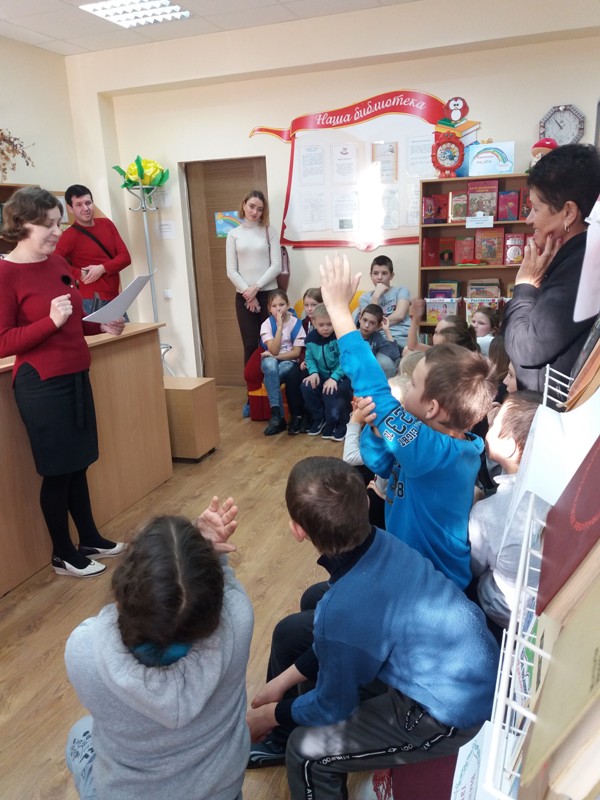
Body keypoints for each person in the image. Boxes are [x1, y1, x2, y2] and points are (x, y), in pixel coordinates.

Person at [247, 457, 500, 799]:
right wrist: (283, 681)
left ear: (297, 530)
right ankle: (289, 728)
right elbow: (345, 633)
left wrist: (270, 716)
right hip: (464, 665)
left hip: (450, 715)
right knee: (301, 619)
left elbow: (333, 705)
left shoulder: (343, 610)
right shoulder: (380, 541)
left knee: (305, 752)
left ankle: (292, 740)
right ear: (366, 504)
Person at [320, 254, 496, 589]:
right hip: (407, 565)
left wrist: (340, 312)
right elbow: (382, 465)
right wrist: (377, 428)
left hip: (431, 585)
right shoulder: (434, 437)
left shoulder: (438, 451)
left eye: (413, 384)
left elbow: (375, 387)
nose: (406, 388)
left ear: (432, 408)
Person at [65, 497, 254, 800]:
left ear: (122, 592)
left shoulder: (84, 651)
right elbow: (223, 595)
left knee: (80, 733)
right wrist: (207, 554)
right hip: (223, 791)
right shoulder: (239, 619)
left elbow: (109, 627)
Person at [0, 187, 126, 578]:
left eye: (59, 223)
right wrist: (49, 322)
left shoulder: (57, 262)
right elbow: (3, 340)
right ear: (22, 224)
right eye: (50, 225)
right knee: (57, 471)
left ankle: (88, 538)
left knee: (79, 464)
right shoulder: (5, 273)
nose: (58, 232)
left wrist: (101, 325)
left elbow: (73, 321)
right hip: (41, 384)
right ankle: (62, 554)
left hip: (75, 375)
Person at [503, 144, 600, 394]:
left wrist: (525, 286)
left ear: (569, 212)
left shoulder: (582, 265)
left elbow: (526, 349)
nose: (529, 220)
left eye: (536, 209)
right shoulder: (578, 257)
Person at [469, 391, 547, 635]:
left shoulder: (485, 514)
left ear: (510, 447)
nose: (489, 425)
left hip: (507, 613)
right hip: (545, 601)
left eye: (495, 424)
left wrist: (477, 503)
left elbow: (474, 567)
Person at [55, 184, 131, 315]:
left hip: (115, 296)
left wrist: (102, 268)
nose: (85, 208)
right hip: (92, 300)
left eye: (88, 203)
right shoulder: (69, 236)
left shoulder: (107, 224)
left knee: (125, 328)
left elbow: (125, 258)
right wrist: (80, 274)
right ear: (70, 208)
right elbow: (54, 264)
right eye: (79, 205)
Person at [226, 189, 282, 367]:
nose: (254, 212)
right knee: (250, 345)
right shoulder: (233, 234)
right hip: (244, 298)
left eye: (259, 209)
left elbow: (276, 266)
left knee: (271, 343)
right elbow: (231, 270)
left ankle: (271, 383)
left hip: (268, 296)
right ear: (244, 205)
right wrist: (248, 294)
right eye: (251, 206)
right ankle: (252, 385)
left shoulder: (269, 231)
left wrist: (255, 288)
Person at [301, 303, 352, 441]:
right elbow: (309, 358)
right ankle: (319, 419)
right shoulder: (310, 339)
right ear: (314, 322)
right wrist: (313, 373)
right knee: (306, 386)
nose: (326, 328)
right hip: (321, 375)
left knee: (332, 390)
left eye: (329, 324)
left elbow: (346, 360)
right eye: (321, 325)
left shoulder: (339, 337)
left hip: (340, 376)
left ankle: (339, 423)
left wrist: (334, 378)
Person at [260, 289, 305, 436]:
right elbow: (273, 349)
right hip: (270, 363)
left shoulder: (296, 323)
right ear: (269, 308)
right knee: (270, 364)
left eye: (281, 304)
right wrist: (279, 327)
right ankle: (276, 414)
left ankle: (277, 419)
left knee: (271, 375)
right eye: (274, 306)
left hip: (288, 362)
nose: (278, 309)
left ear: (288, 305)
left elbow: (296, 353)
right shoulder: (266, 324)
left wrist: (276, 357)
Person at [356, 255, 411, 348]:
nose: (379, 277)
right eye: (375, 273)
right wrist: (376, 296)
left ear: (391, 275)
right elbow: (369, 320)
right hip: (375, 340)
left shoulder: (401, 291)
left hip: (400, 337)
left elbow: (399, 315)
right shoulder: (364, 298)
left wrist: (376, 325)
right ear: (371, 275)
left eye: (384, 273)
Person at [357, 303, 400, 377]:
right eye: (365, 320)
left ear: (378, 325)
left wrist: (387, 330)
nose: (367, 325)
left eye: (372, 323)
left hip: (371, 374)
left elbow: (394, 355)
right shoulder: (352, 335)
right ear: (360, 318)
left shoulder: (377, 337)